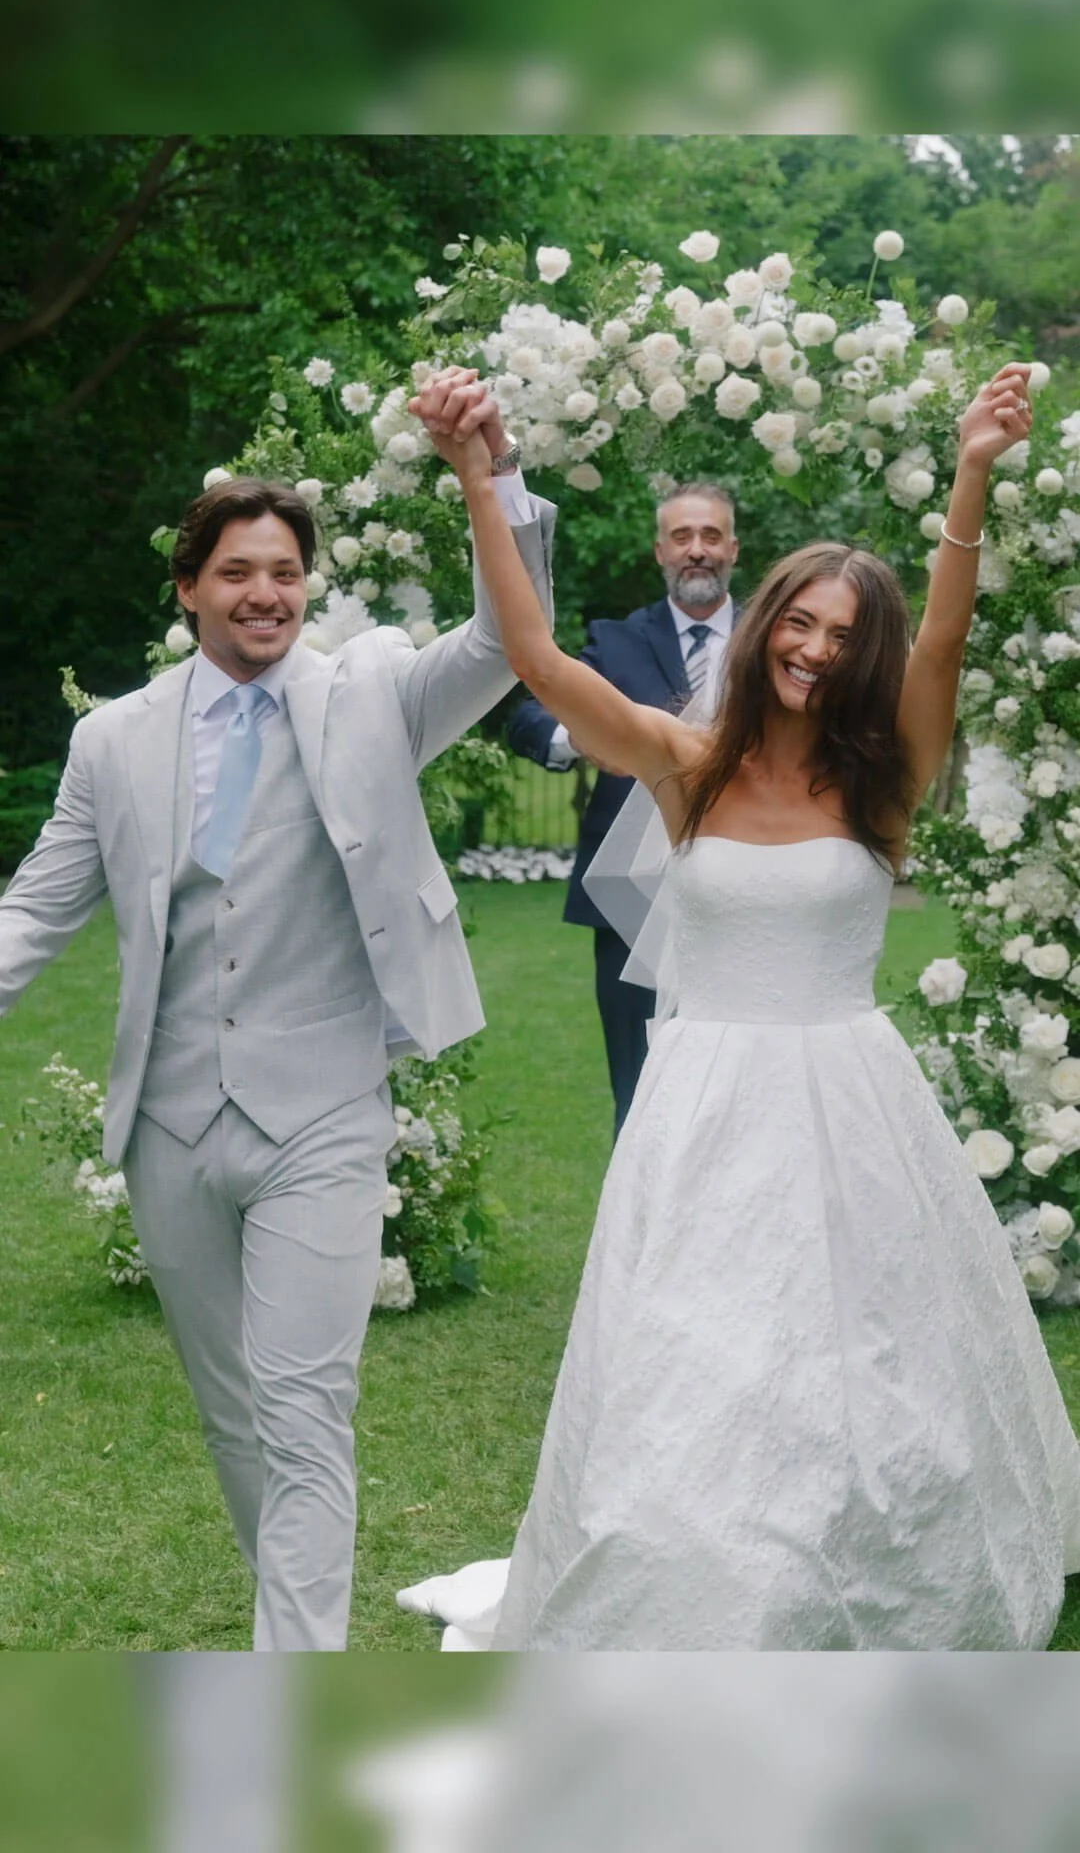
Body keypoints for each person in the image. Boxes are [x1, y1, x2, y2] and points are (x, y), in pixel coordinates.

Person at [402, 360, 1080, 1649]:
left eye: (842, 636)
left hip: (851, 1105)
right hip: (705, 1104)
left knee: (869, 1361)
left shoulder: (885, 781)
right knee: (699, 1351)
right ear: (766, 623)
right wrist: (480, 484)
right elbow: (537, 659)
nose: (817, 650)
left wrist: (973, 471)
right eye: (800, 625)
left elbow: (944, 639)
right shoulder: (686, 764)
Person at [0, 403, 554, 1650]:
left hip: (323, 1113)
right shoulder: (113, 741)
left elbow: (509, 640)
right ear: (190, 588)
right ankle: (290, 1621)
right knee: (238, 1418)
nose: (266, 594)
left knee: (307, 1411)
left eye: (287, 573)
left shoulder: (375, 697)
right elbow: (33, 914)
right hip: (171, 1127)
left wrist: (492, 478)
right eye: (238, 573)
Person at [506, 484, 740, 1134]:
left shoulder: (774, 640)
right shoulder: (614, 642)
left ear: (733, 549)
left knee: (741, 1084)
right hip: (631, 897)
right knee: (637, 1090)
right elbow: (527, 714)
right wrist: (577, 740)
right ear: (660, 550)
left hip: (747, 890)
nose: (698, 550)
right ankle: (638, 1229)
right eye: (683, 537)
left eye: (712, 536)